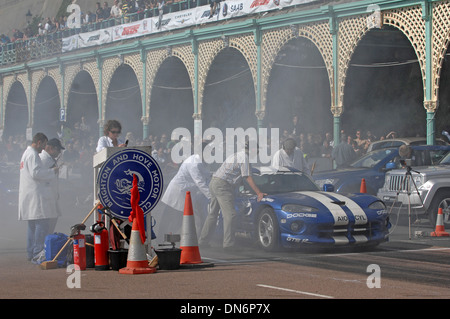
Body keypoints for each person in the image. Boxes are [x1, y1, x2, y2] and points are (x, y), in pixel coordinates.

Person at [199, 141, 266, 250]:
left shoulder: (236, 154)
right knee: (230, 215)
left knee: (212, 214)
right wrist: (259, 193)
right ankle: (228, 244)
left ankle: (203, 241)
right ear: (253, 150)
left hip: (214, 182)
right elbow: (247, 177)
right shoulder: (245, 158)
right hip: (222, 185)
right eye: (258, 150)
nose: (258, 152)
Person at [157, 141, 212, 241]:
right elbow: (200, 182)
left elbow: (206, 174)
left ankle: (166, 239)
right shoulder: (194, 163)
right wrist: (211, 196)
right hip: (178, 192)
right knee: (172, 218)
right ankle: (164, 240)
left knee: (174, 218)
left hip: (183, 192)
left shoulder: (199, 161)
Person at [18, 133, 60, 261]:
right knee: (41, 223)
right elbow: (36, 173)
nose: (43, 149)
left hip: (30, 194)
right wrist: (52, 171)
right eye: (43, 145)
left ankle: (31, 252)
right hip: (35, 194)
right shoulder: (32, 154)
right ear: (39, 142)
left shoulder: (27, 153)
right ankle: (37, 253)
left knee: (32, 224)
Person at [39, 138, 65, 236]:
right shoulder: (43, 159)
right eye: (58, 150)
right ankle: (43, 244)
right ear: (50, 148)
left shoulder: (49, 159)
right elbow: (42, 177)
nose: (59, 153)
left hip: (51, 195)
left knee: (53, 218)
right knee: (47, 222)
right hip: (46, 196)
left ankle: (46, 240)